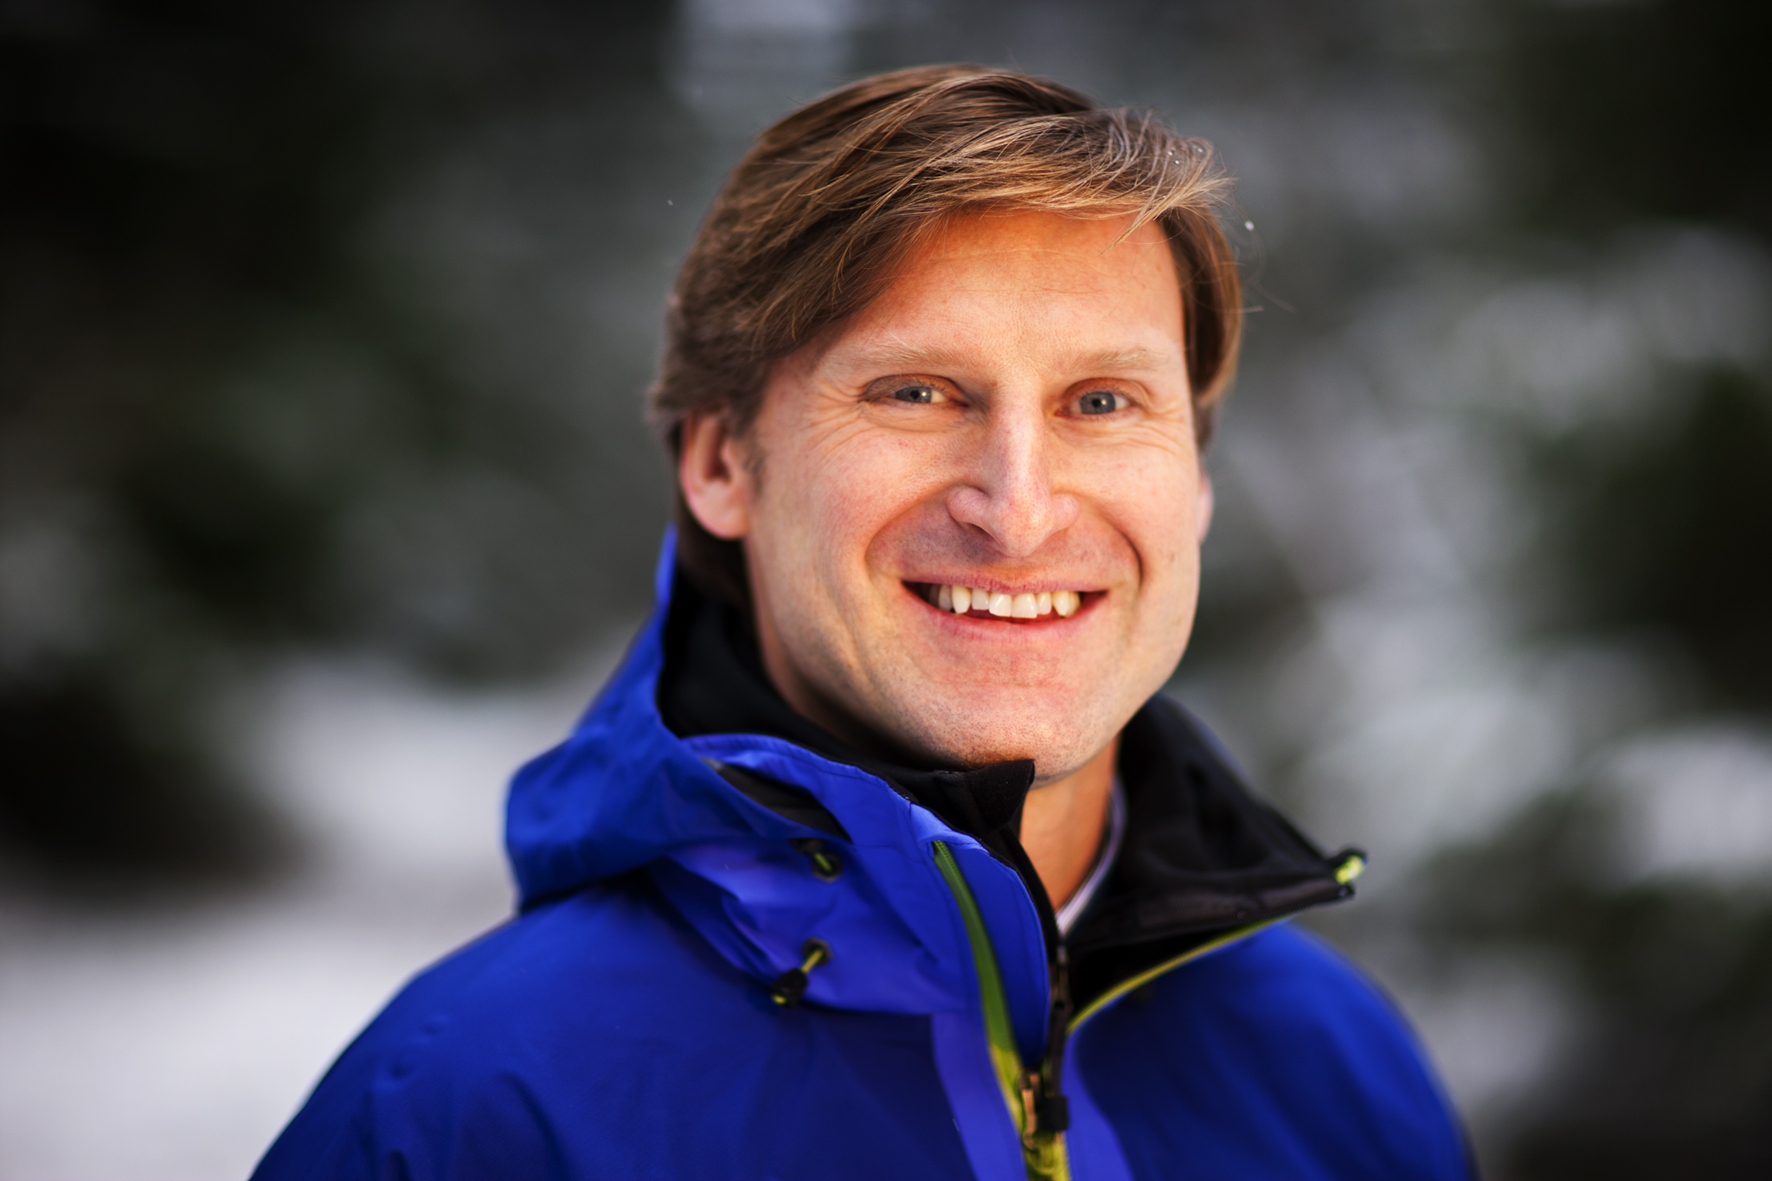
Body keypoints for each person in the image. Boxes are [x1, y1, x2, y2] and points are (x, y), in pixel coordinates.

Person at [254, 65, 1470, 1181]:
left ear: (1193, 481)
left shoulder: (1335, 1065)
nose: (1017, 508)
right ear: (722, 461)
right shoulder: (466, 1109)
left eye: (1102, 401)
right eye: (916, 391)